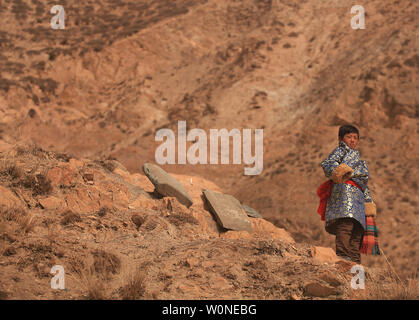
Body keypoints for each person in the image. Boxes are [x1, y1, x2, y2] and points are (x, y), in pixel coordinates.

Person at [319, 125, 376, 264]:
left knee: (357, 230)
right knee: (346, 226)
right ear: (340, 139)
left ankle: (355, 263)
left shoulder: (359, 160)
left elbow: (364, 184)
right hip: (344, 193)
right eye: (349, 137)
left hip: (359, 197)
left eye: (355, 138)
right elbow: (327, 164)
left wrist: (368, 202)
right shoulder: (340, 151)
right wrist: (342, 172)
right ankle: (343, 258)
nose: (352, 140)